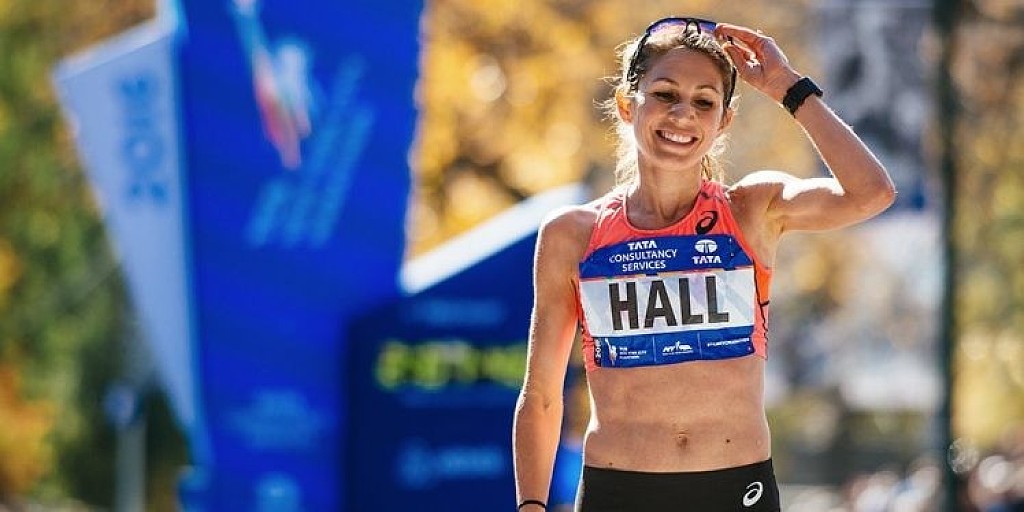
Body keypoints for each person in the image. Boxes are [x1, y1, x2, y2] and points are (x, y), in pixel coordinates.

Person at [512, 17, 896, 512]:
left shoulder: (752, 210)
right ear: (628, 104)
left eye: (704, 102)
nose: (682, 115)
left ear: (724, 121)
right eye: (665, 94)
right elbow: (542, 395)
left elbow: (871, 193)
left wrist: (786, 86)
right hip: (619, 491)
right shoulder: (573, 234)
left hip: (737, 490)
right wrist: (531, 506)